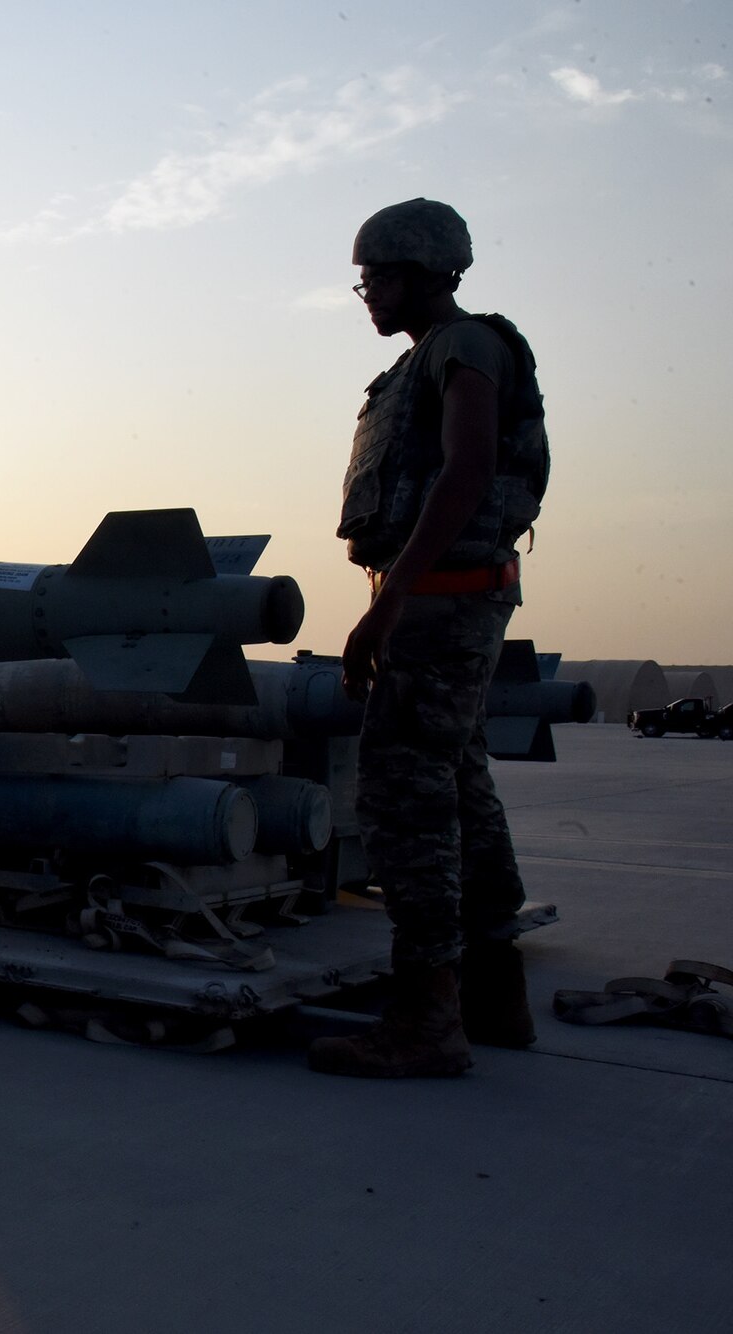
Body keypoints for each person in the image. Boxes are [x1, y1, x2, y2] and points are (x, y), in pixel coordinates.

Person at [306, 200, 550, 1078]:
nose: (367, 293)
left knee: (406, 801)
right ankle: (494, 997)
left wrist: (392, 597)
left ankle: (426, 1018)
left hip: (438, 602)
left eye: (378, 277)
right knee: (462, 793)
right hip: (449, 599)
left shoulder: (464, 347)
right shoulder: (428, 360)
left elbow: (471, 465)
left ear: (424, 272)